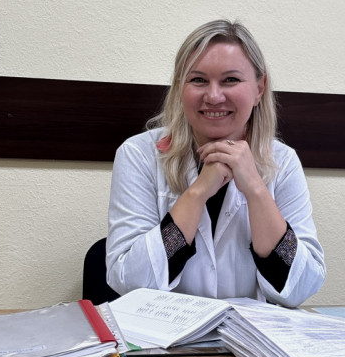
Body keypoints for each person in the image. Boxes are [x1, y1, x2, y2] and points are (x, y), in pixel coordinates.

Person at [106, 19, 326, 307]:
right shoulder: (139, 155)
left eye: (230, 80)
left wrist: (256, 190)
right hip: (165, 333)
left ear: (259, 88)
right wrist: (198, 193)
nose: (213, 96)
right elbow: (131, 282)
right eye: (198, 80)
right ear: (179, 87)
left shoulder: (282, 162)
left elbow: (301, 287)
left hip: (248, 333)